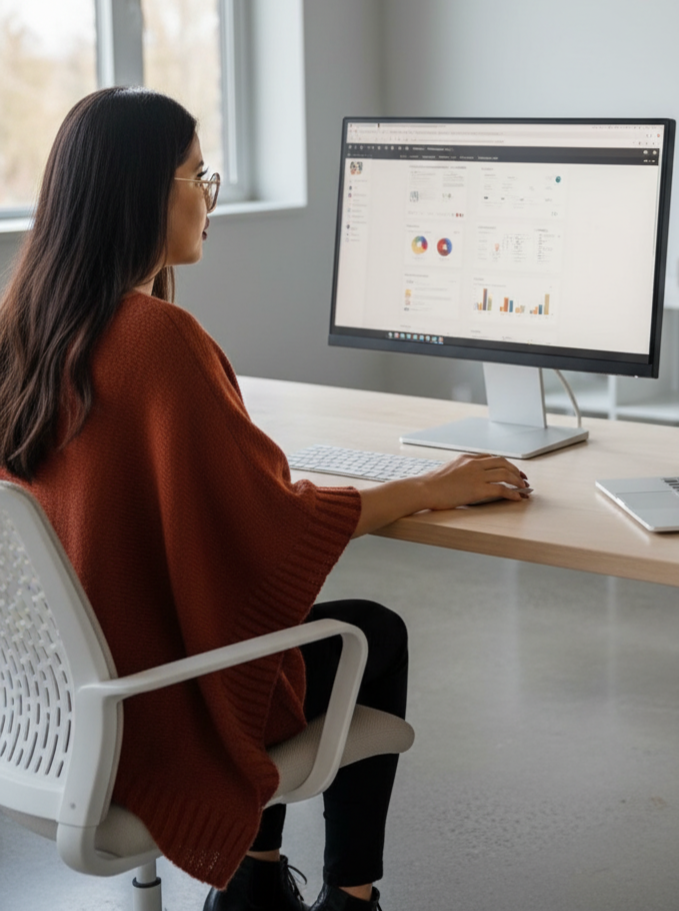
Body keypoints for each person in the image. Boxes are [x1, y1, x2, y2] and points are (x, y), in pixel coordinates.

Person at [0, 87, 530, 911]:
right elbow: (272, 525)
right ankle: (351, 899)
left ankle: (256, 882)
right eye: (195, 174)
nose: (208, 196)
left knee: (275, 628)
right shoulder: (158, 341)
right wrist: (430, 488)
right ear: (147, 193)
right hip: (155, 713)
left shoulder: (26, 331)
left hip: (63, 715)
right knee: (373, 632)